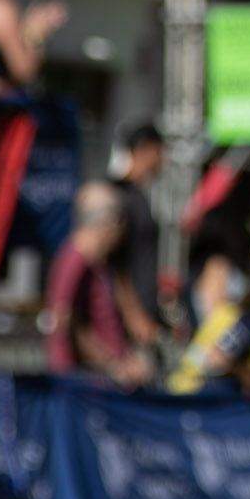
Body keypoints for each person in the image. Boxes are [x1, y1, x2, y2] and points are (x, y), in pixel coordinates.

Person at [45, 181, 152, 389]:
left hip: (100, 381)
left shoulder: (99, 263)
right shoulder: (75, 261)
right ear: (109, 223)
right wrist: (114, 365)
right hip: (82, 384)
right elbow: (66, 324)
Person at [108, 122, 176, 346]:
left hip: (144, 312)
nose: (163, 161)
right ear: (145, 149)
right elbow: (114, 264)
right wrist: (133, 315)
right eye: (160, 152)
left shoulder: (139, 196)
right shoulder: (119, 196)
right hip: (122, 321)